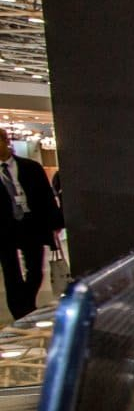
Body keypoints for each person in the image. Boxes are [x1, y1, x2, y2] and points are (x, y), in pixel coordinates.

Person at [0, 129, 64, 319]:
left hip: (31, 224)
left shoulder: (31, 167)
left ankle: (27, 303)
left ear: (5, 141)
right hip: (5, 227)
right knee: (11, 271)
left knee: (35, 269)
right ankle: (20, 312)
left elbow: (46, 196)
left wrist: (55, 223)